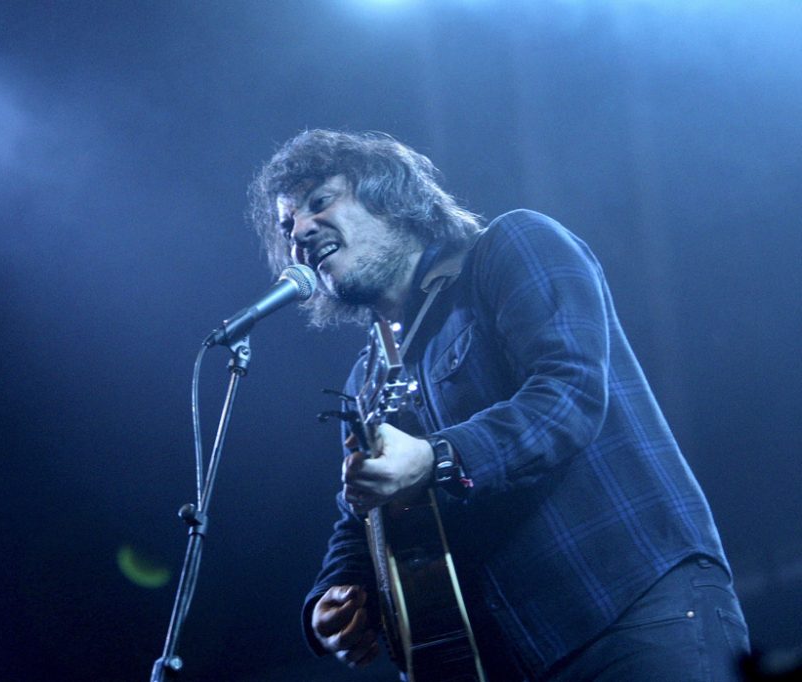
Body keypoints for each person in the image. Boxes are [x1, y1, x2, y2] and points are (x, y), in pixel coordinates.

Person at [247, 130, 751, 680]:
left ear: (388, 196)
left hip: (631, 609)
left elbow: (569, 394)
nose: (298, 231)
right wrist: (336, 592)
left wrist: (435, 458)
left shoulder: (511, 247)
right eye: (287, 224)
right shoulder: (365, 378)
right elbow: (359, 509)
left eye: (320, 202)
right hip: (507, 659)